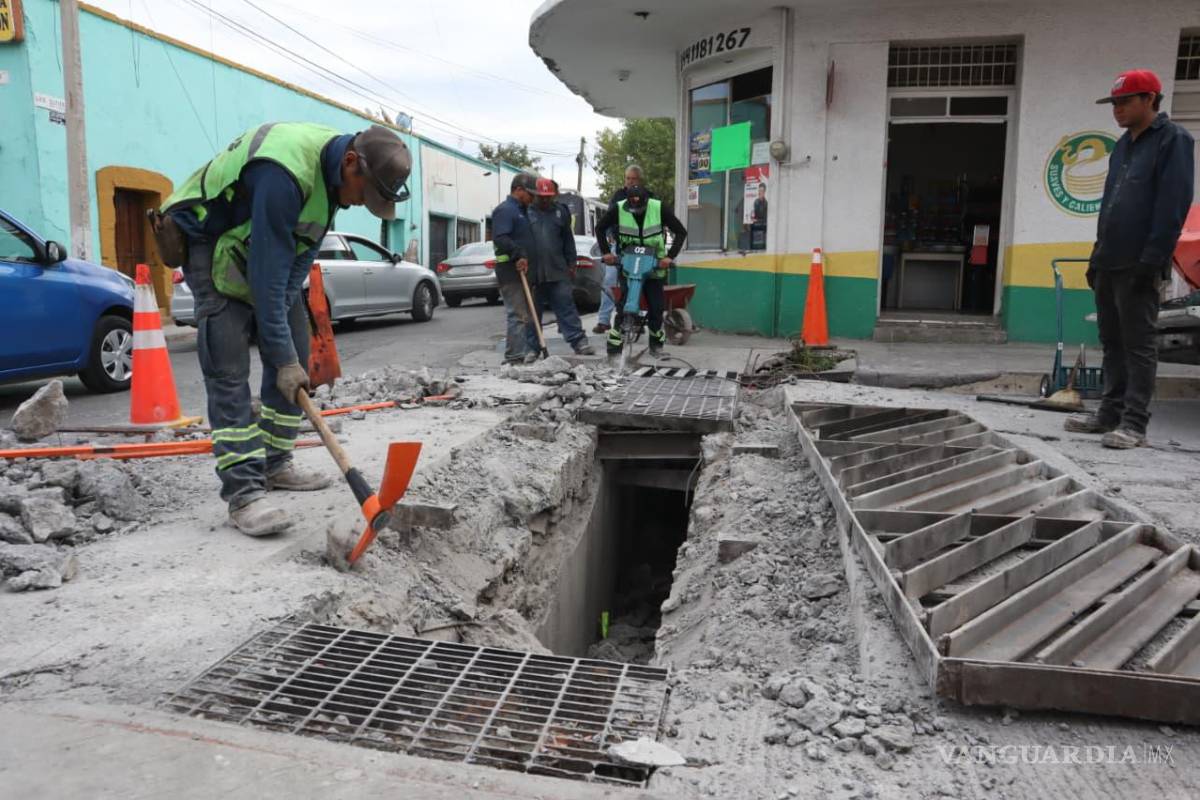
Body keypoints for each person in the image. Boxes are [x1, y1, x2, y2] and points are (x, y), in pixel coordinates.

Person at [160, 123, 412, 536]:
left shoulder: (331, 183)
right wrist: (282, 359)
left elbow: (296, 262)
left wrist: (288, 357)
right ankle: (243, 493)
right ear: (351, 162)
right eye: (362, 194)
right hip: (207, 238)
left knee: (295, 346)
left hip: (255, 250)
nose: (356, 204)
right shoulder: (284, 174)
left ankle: (275, 463)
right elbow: (265, 277)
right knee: (228, 363)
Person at [1065, 69, 1195, 449]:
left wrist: (1151, 259)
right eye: (1115, 103)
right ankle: (1108, 415)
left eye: (1125, 101)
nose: (1117, 109)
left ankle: (1134, 424)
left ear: (1151, 99)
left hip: (1139, 261)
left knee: (1138, 343)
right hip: (1109, 257)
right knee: (1112, 340)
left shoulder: (1174, 141)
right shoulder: (1123, 146)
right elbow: (1110, 206)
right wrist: (1095, 255)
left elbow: (1173, 206)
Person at [595, 184, 687, 356]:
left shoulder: (658, 208)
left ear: (646, 200)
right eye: (633, 208)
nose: (636, 211)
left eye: (640, 208)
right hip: (629, 263)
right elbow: (600, 228)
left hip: (654, 266)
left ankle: (656, 347)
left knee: (656, 307)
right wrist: (607, 253)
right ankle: (614, 350)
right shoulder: (620, 208)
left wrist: (669, 257)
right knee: (623, 306)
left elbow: (681, 232)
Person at [525, 178, 595, 360]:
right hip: (533, 273)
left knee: (566, 307)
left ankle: (579, 342)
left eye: (549, 197)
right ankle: (533, 348)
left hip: (558, 270)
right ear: (535, 195)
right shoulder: (525, 212)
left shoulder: (561, 212)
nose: (545, 200)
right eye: (542, 197)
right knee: (532, 313)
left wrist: (571, 263)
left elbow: (568, 240)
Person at [594, 165, 654, 334]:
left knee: (640, 280)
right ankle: (603, 320)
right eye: (627, 178)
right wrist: (610, 235)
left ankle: (636, 320)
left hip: (642, 247)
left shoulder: (648, 197)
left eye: (633, 179)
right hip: (619, 246)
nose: (629, 181)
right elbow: (607, 219)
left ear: (640, 181)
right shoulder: (618, 196)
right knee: (610, 280)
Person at [490, 173, 539, 364]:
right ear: (519, 190)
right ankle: (513, 357)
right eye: (530, 194)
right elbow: (501, 238)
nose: (532, 198)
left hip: (524, 270)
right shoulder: (505, 210)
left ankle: (522, 353)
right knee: (517, 315)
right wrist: (518, 253)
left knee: (524, 316)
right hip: (511, 271)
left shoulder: (523, 211)